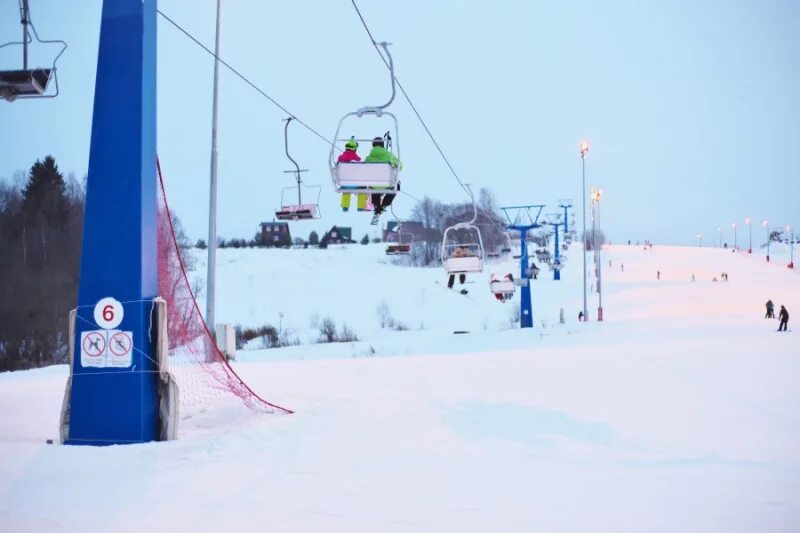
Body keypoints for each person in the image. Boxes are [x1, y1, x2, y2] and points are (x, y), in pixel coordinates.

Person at [365, 136, 402, 224]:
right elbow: (400, 166)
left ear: (373, 146)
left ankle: (377, 207)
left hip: (374, 186)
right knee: (396, 186)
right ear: (382, 145)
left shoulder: (368, 158)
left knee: (375, 187)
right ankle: (384, 205)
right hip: (387, 185)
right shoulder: (390, 156)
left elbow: (364, 170)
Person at [337, 139, 368, 212]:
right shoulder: (357, 158)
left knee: (346, 189)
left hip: (344, 183)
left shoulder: (340, 157)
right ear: (355, 148)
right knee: (362, 189)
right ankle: (360, 207)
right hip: (356, 184)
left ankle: (345, 206)